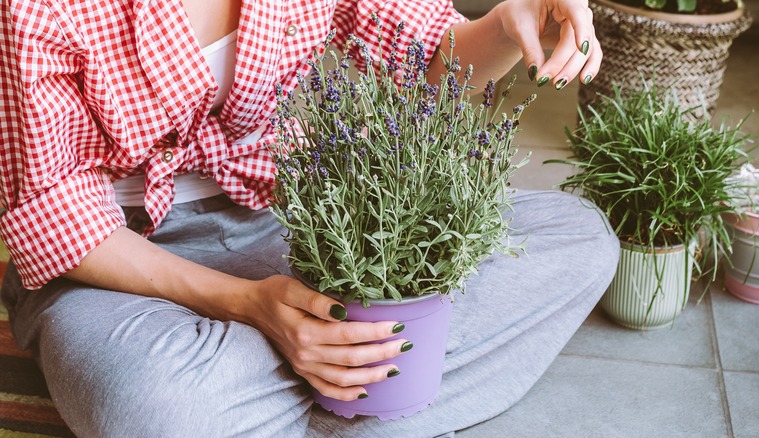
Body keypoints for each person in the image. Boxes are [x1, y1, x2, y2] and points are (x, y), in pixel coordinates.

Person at [0, 0, 617, 436]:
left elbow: (432, 63)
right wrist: (250, 305)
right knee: (154, 405)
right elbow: (52, 211)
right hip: (120, 261)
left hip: (295, 217)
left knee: (579, 240)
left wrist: (509, 24)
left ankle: (310, 383)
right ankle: (379, 394)